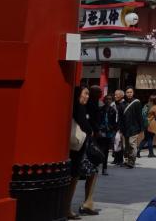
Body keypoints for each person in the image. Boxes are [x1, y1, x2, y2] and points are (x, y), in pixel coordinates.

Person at [64, 87, 96, 219]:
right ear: (78, 94)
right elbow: (85, 125)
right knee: (73, 177)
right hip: (76, 149)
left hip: (76, 149)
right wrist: (90, 130)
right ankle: (66, 208)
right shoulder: (78, 107)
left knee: (75, 176)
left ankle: (67, 206)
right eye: (86, 93)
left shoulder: (79, 106)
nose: (87, 96)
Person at [120, 87, 143, 169]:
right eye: (127, 92)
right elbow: (120, 117)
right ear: (125, 93)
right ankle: (126, 160)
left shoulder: (137, 103)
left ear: (133, 93)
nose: (129, 94)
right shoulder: (122, 104)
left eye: (130, 92)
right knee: (125, 145)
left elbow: (139, 116)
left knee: (132, 144)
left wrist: (141, 127)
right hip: (125, 128)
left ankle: (132, 161)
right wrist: (120, 128)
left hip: (134, 127)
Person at [96, 94, 118, 175]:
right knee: (99, 150)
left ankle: (104, 168)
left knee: (106, 151)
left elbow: (114, 122)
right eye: (107, 99)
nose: (108, 101)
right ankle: (97, 166)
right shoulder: (100, 109)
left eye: (110, 99)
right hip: (101, 132)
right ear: (104, 100)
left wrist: (112, 128)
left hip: (109, 133)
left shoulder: (113, 110)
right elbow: (98, 120)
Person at [111, 90, 125, 165]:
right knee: (115, 142)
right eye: (115, 94)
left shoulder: (123, 105)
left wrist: (121, 129)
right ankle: (116, 159)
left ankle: (120, 159)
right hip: (115, 125)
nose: (115, 96)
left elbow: (123, 118)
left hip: (120, 126)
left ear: (122, 96)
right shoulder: (114, 104)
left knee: (119, 142)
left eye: (117, 95)